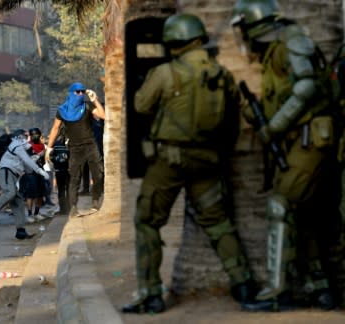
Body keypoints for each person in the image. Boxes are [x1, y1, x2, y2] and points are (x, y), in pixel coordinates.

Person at [121, 13, 257, 314]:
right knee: (219, 224)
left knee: (147, 221)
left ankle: (150, 294)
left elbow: (141, 104)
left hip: (169, 161)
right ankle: (244, 286)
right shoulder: (220, 74)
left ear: (173, 41)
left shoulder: (166, 72)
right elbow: (237, 113)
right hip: (207, 160)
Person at [231, 0, 337, 311]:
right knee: (304, 213)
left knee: (282, 204)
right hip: (299, 140)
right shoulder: (276, 49)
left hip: (311, 139)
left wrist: (272, 127)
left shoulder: (290, 39)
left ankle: (277, 292)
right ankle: (319, 286)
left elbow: (307, 88)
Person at [46, 82, 105, 217]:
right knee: (74, 178)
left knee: (98, 174)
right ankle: (73, 207)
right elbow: (55, 128)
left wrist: (94, 99)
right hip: (74, 148)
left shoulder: (87, 106)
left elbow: (103, 116)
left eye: (82, 92)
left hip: (90, 145)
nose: (80, 94)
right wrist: (49, 148)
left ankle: (95, 202)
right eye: (77, 92)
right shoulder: (62, 110)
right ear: (71, 93)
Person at [0, 129, 50, 240]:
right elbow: (26, 160)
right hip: (6, 172)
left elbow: (27, 169)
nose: (27, 139)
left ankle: (21, 231)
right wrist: (39, 170)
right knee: (11, 192)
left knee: (18, 203)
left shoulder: (20, 150)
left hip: (12, 176)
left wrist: (35, 160)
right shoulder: (16, 145)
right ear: (19, 137)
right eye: (25, 136)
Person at [21, 127, 48, 222]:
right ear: (31, 136)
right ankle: (29, 214)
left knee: (40, 194)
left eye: (37, 134)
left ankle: (36, 213)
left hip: (40, 172)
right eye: (34, 135)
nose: (35, 136)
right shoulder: (27, 146)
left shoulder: (42, 146)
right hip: (30, 173)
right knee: (30, 195)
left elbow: (44, 161)